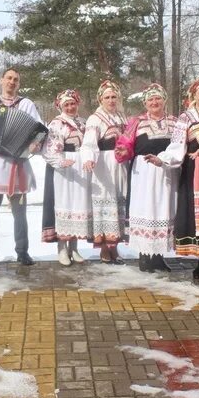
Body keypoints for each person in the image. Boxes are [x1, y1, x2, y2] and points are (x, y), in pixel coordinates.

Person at [158, 76, 199, 279]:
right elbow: (177, 146)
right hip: (195, 171)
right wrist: (163, 159)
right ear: (194, 95)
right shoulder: (186, 118)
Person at [0, 68, 43, 266]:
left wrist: (34, 143)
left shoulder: (26, 104)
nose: (12, 82)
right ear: (1, 80)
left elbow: (39, 130)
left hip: (18, 163)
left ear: (19, 84)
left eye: (16, 79)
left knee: (19, 212)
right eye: (9, 78)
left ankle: (22, 251)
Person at [115, 83, 178, 272]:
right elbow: (124, 143)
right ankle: (144, 255)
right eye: (150, 99)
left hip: (166, 170)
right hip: (144, 172)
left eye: (158, 98)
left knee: (163, 210)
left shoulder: (174, 122)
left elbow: (179, 145)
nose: (154, 102)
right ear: (145, 103)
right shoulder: (137, 122)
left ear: (165, 100)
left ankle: (158, 255)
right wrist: (124, 150)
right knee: (146, 209)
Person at [81, 80, 129, 264]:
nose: (111, 100)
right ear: (101, 99)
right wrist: (89, 158)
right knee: (104, 206)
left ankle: (114, 246)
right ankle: (103, 248)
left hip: (121, 165)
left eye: (114, 97)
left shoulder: (122, 117)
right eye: (107, 97)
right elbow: (89, 143)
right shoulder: (96, 119)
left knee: (118, 205)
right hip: (104, 165)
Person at [41, 89, 92, 266]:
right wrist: (60, 162)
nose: (70, 107)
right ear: (60, 106)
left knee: (77, 204)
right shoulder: (56, 124)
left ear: (78, 103)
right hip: (63, 169)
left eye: (72, 104)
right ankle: (62, 248)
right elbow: (49, 149)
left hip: (80, 168)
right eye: (66, 104)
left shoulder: (83, 123)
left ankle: (74, 247)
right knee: (64, 203)